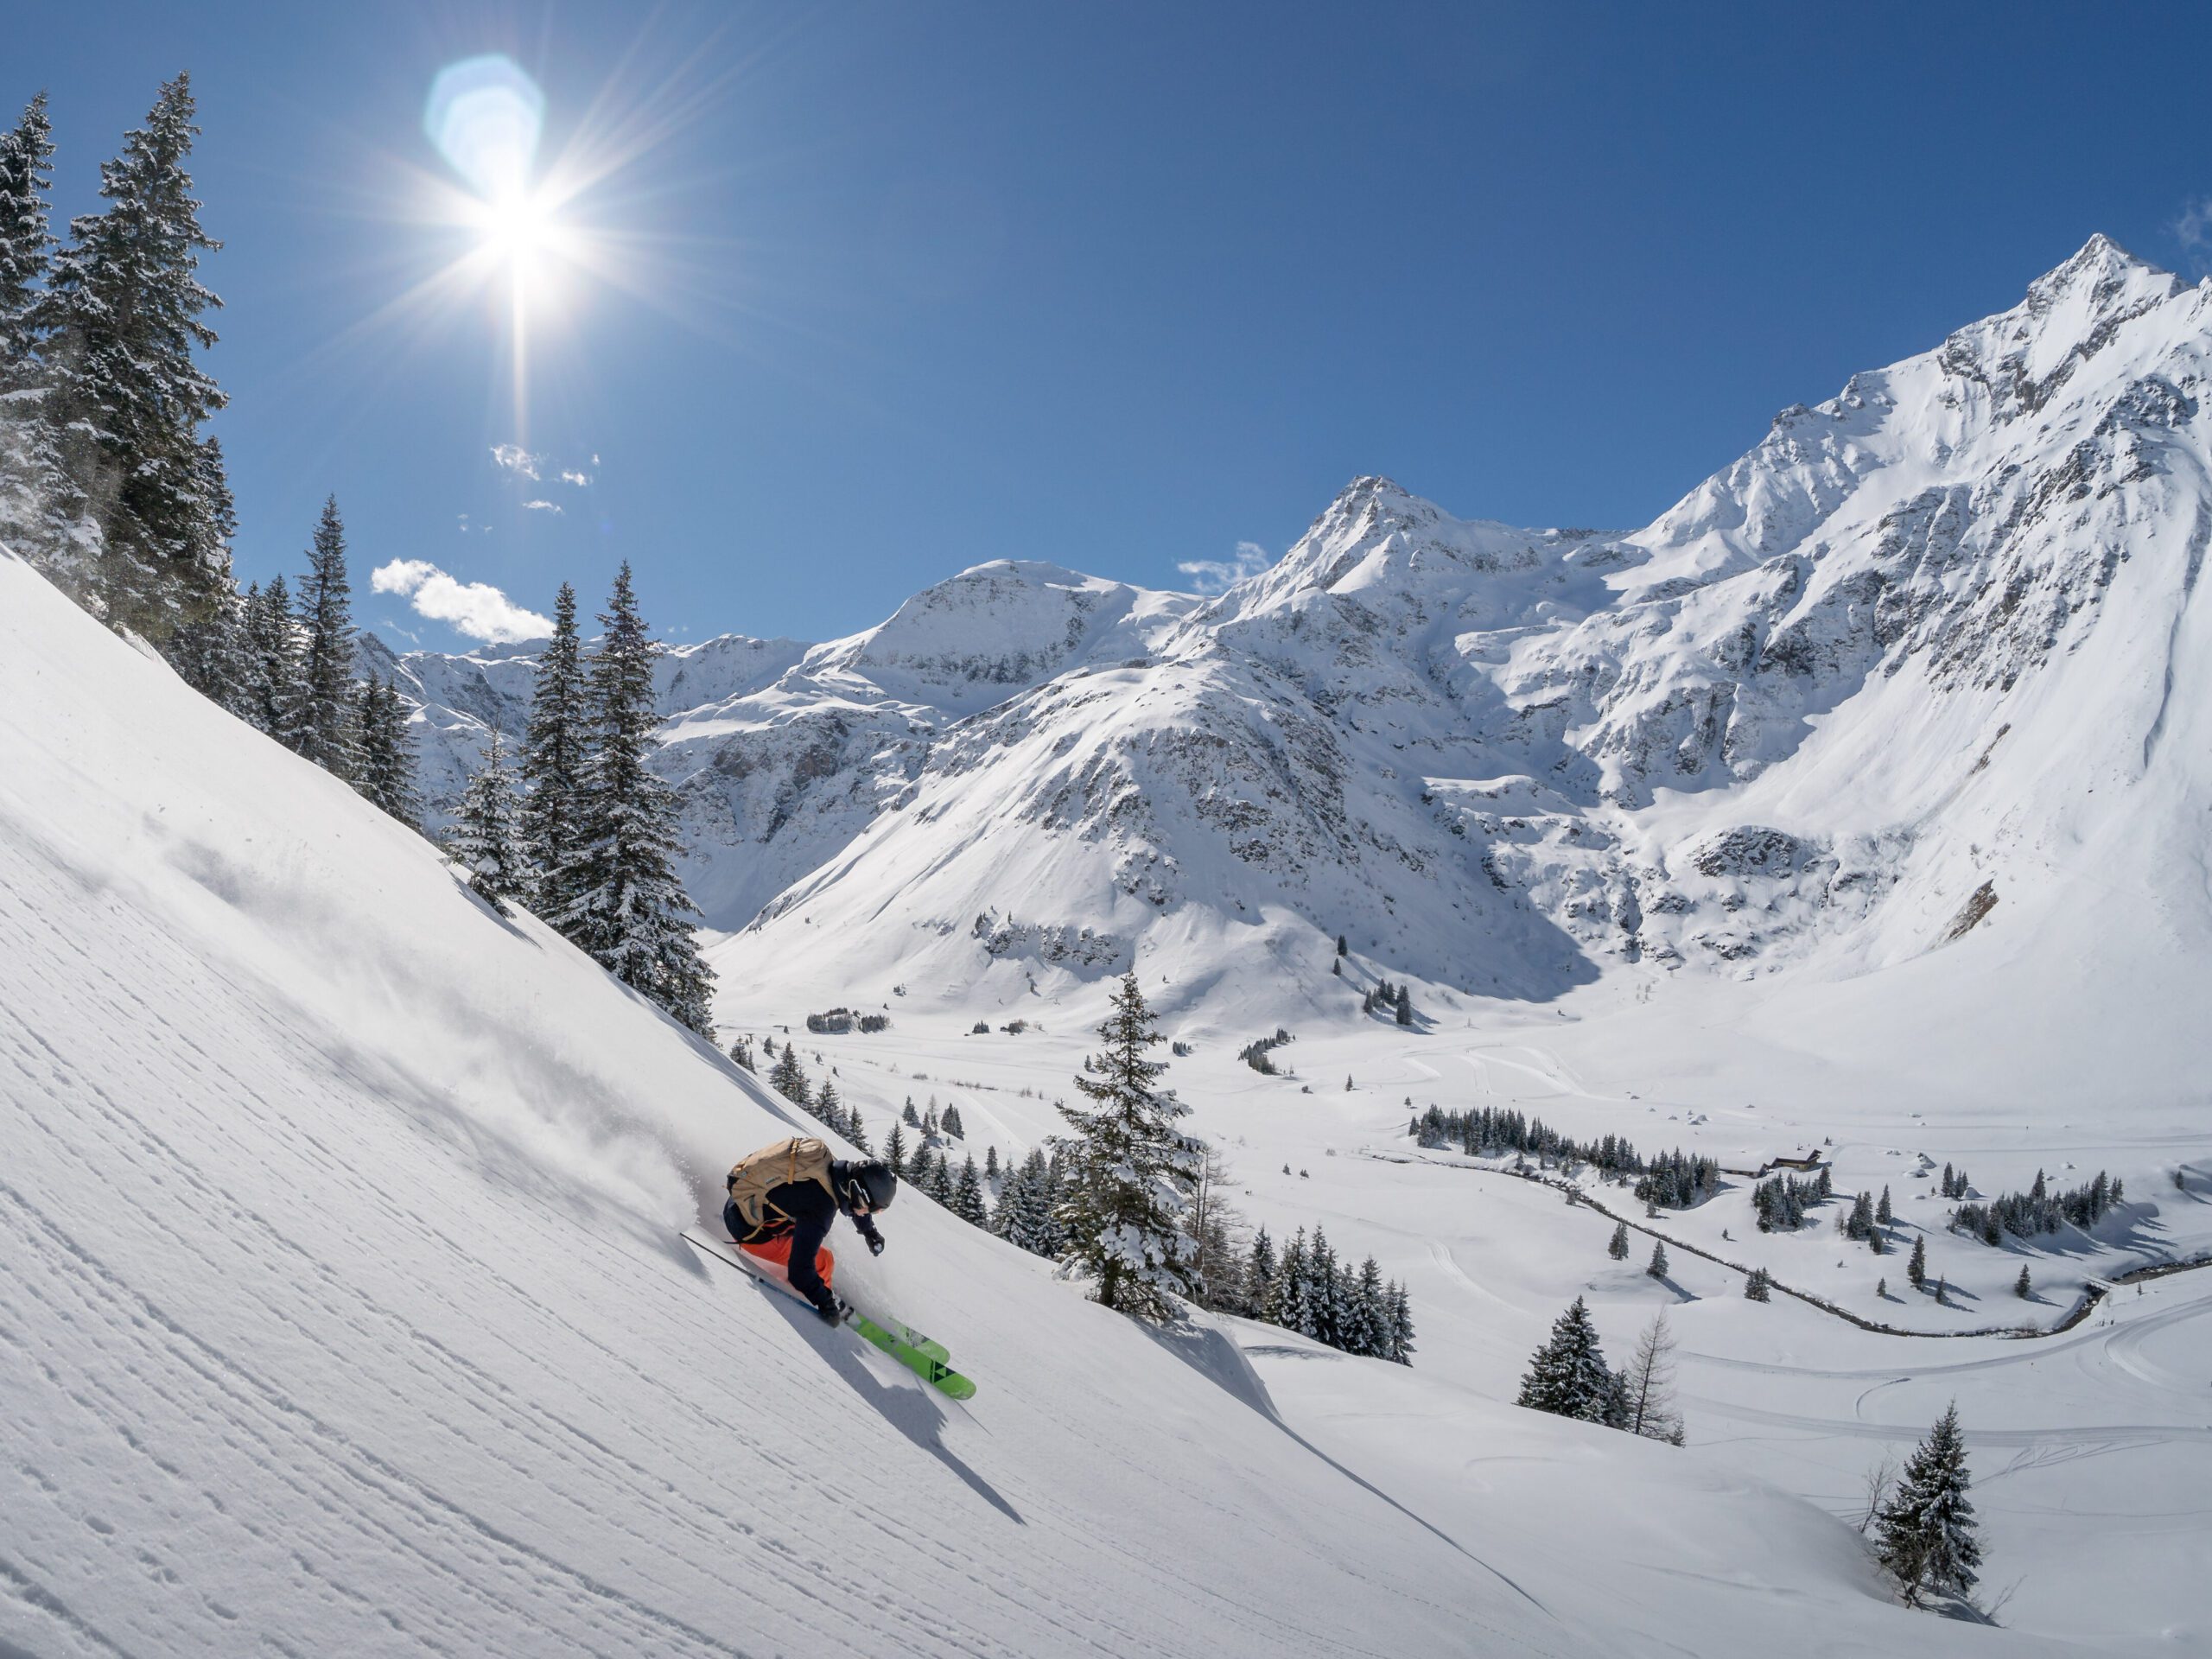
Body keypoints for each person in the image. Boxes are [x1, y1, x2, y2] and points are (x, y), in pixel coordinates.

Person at [723, 1136, 896, 1324]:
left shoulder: (827, 1165)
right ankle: (816, 1297)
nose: (867, 1213)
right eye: (871, 1209)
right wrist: (825, 1304)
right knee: (824, 1260)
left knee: (810, 1238)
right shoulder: (821, 1208)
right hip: (749, 1231)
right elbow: (799, 1271)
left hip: (744, 1200)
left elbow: (852, 1199)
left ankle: (818, 1286)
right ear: (858, 1195)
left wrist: (869, 1231)